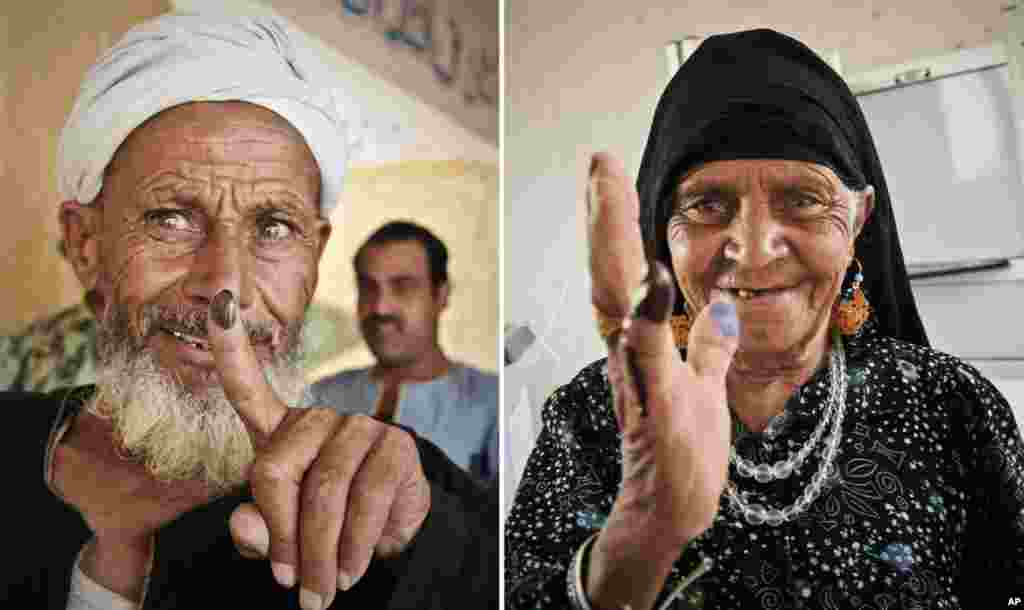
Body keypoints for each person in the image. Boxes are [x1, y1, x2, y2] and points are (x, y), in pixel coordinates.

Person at [505, 29, 1024, 609]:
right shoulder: (588, 419)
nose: (753, 251)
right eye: (707, 205)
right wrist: (640, 541)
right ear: (662, 230)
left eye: (803, 199)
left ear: (858, 221)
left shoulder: (950, 406)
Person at [1, 13, 495, 609]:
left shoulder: (400, 501)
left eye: (275, 227)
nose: (225, 285)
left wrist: (427, 548)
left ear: (315, 259)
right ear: (86, 245)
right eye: (171, 218)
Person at [313, 221, 499, 482]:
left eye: (403, 287)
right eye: (368, 288)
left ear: (441, 295)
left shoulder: (493, 402)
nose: (380, 307)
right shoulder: (319, 398)